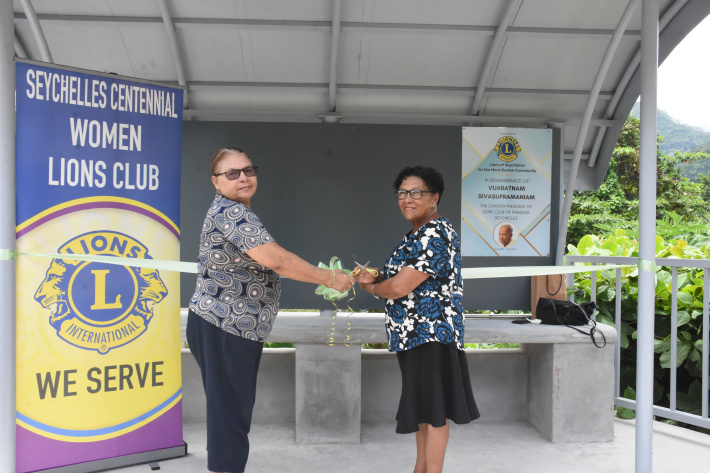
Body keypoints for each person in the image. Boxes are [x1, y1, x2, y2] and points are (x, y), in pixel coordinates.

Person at [187, 147, 353, 473]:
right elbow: (276, 259)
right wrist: (331, 278)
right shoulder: (232, 213)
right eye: (232, 173)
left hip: (226, 326)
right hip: (226, 326)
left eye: (248, 170)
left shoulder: (233, 210)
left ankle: (222, 464)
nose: (243, 178)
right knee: (231, 412)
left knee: (226, 410)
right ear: (215, 182)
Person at [353, 166, 479, 473]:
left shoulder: (435, 232)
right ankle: (420, 469)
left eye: (417, 192)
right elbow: (402, 277)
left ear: (434, 198)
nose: (407, 199)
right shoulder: (416, 233)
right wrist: (377, 276)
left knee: (434, 413)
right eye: (402, 193)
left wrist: (371, 286)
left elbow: (399, 286)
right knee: (426, 410)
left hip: (431, 334)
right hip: (415, 337)